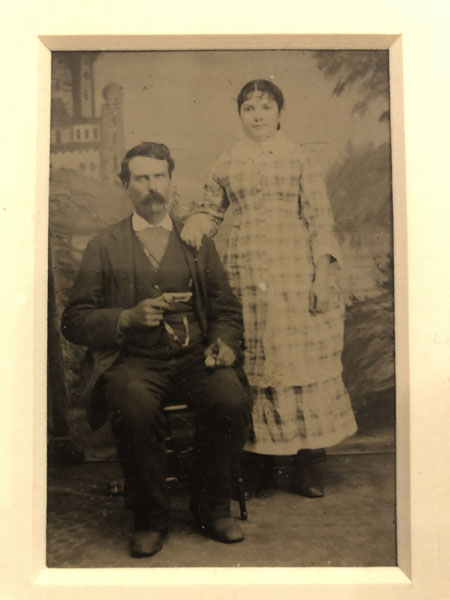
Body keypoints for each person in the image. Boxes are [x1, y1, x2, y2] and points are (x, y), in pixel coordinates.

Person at [61, 141, 251, 558]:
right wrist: (124, 319)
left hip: (195, 358)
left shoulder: (196, 240)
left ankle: (213, 506)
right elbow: (73, 320)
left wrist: (224, 343)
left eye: (159, 177)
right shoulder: (104, 245)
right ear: (125, 185)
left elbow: (226, 309)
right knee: (132, 406)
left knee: (229, 397)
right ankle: (150, 518)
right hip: (135, 363)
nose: (152, 187)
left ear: (170, 180)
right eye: (142, 178)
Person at [181, 79, 357, 498]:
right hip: (246, 273)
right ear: (239, 115)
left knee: (297, 360)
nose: (257, 115)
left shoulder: (299, 158)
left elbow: (320, 220)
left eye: (265, 107)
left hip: (294, 273)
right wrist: (196, 223)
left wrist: (320, 277)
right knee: (255, 361)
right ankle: (259, 460)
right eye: (248, 108)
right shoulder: (227, 162)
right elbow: (210, 210)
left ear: (279, 112)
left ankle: (308, 462)